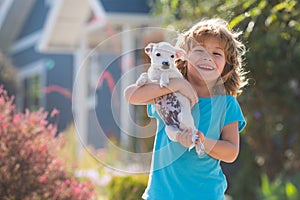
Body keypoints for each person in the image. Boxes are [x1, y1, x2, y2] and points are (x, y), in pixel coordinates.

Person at [124, 18, 248, 200]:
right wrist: (179, 86)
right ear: (182, 56)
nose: (207, 57)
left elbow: (231, 152)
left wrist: (203, 142)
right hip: (161, 194)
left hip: (206, 195)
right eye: (199, 50)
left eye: (216, 53)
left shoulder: (226, 104)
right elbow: (131, 95)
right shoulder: (165, 93)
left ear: (226, 65)